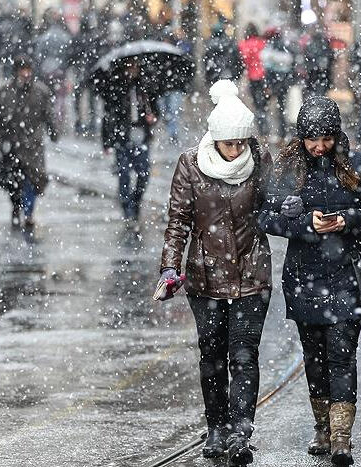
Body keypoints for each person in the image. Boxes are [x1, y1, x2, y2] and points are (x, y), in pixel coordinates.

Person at [258, 96, 361, 466]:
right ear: (301, 137)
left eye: (326, 138)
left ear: (336, 135)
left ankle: (342, 437)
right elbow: (266, 218)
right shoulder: (286, 169)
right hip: (304, 278)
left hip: (348, 275)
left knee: (342, 356)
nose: (319, 146)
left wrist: (346, 220)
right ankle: (322, 428)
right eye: (312, 138)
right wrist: (304, 225)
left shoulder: (355, 164)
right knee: (314, 357)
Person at [158, 80, 272, 465]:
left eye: (242, 142)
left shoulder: (260, 160)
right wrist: (170, 268)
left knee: (244, 355)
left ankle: (241, 428)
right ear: (215, 138)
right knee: (212, 355)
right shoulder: (191, 164)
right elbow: (178, 222)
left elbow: (274, 205)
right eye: (230, 143)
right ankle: (216, 427)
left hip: (252, 275)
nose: (237, 149)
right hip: (205, 279)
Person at [0, 55, 56, 232]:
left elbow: (48, 114)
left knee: (33, 180)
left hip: (32, 145)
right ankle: (16, 208)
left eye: (28, 70)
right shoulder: (4, 92)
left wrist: (53, 131)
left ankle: (28, 213)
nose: (26, 74)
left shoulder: (40, 92)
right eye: (23, 70)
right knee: (14, 181)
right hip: (12, 144)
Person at [100, 59, 159, 222]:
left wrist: (152, 117)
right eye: (130, 66)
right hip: (123, 136)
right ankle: (127, 207)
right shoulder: (116, 88)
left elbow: (155, 110)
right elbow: (108, 116)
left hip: (141, 135)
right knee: (124, 173)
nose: (133, 69)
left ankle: (136, 200)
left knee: (143, 173)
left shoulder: (145, 87)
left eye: (136, 66)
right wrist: (106, 141)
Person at [261, 28, 295, 143]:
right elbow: (291, 66)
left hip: (273, 82)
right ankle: (282, 134)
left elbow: (267, 69)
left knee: (266, 108)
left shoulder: (270, 49)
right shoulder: (286, 48)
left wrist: (267, 84)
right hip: (283, 83)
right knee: (282, 109)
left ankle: (266, 133)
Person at [238, 24, 268, 137]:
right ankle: (265, 128)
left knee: (256, 104)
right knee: (263, 104)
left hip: (252, 77)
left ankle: (262, 130)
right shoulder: (262, 43)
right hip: (264, 77)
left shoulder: (243, 45)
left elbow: (243, 61)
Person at [302, 26, 335, 97]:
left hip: (315, 73)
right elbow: (330, 56)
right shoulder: (324, 43)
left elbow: (307, 56)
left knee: (314, 91)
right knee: (320, 91)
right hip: (321, 73)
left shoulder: (311, 43)